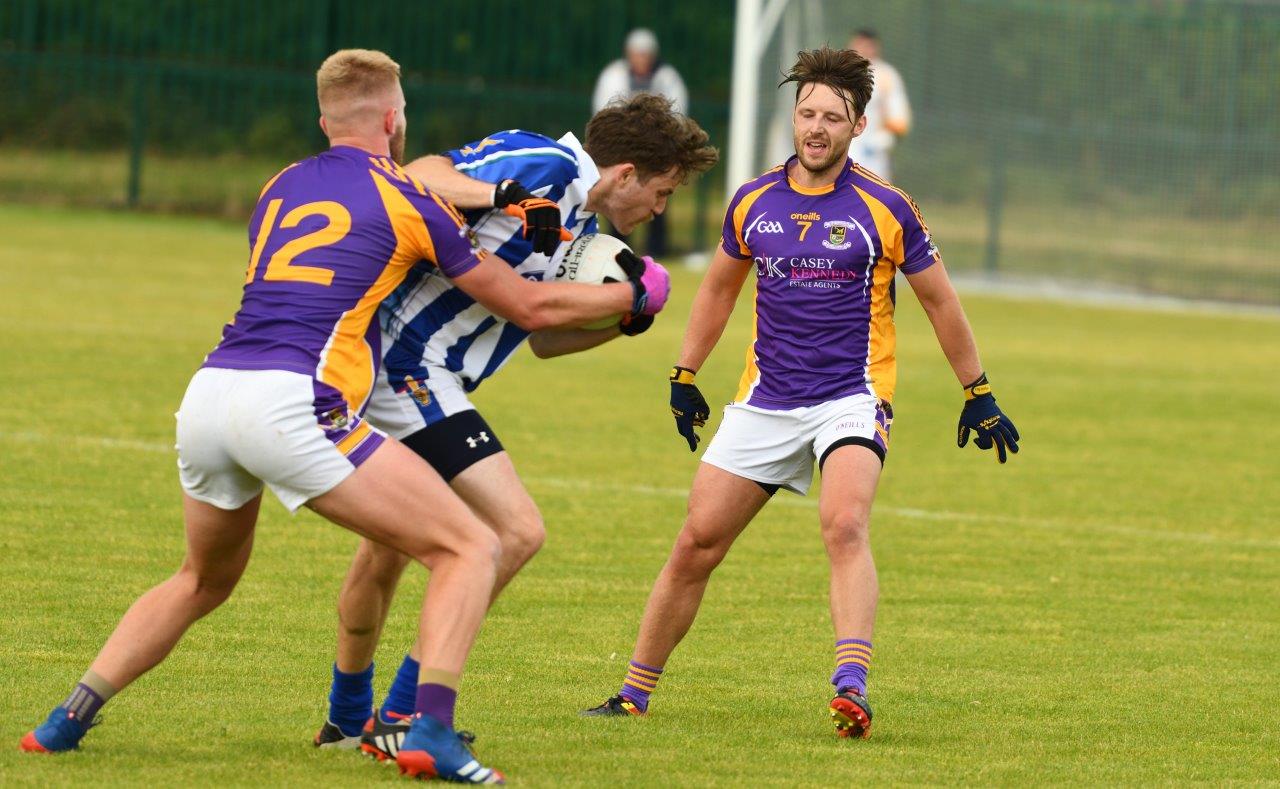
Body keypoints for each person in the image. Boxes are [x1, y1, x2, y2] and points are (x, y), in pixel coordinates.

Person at [19, 48, 667, 785]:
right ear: (394, 120)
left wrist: (516, 212)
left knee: (201, 578)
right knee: (472, 548)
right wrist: (630, 297)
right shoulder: (411, 198)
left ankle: (64, 719)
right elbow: (524, 305)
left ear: (323, 119)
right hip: (296, 402)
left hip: (210, 392)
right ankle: (422, 729)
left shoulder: (279, 186)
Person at [582, 47, 1019, 738]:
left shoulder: (887, 207)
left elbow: (940, 301)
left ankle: (852, 684)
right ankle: (632, 692)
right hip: (767, 399)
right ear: (793, 118)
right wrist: (685, 373)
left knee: (843, 523)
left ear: (857, 125)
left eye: (832, 117)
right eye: (807, 113)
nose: (816, 127)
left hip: (852, 394)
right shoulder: (753, 200)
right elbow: (721, 290)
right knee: (695, 542)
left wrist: (979, 389)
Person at [311, 93, 719, 760]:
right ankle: (404, 713)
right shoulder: (545, 162)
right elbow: (416, 175)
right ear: (623, 175)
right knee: (516, 530)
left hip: (430, 375)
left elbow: (544, 339)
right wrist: (499, 193)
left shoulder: (587, 234)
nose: (661, 209)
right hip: (405, 364)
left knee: (386, 551)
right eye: (662, 191)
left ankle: (347, 717)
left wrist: (626, 319)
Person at [592, 28, 690, 258]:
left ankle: (657, 249)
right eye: (637, 54)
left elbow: (678, 112)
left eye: (645, 54)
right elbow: (604, 111)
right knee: (618, 197)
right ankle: (615, 246)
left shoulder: (667, 77)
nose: (641, 59)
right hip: (621, 152)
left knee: (656, 197)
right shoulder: (614, 75)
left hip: (658, 152)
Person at [846, 29, 912, 179]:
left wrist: (880, 142)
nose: (860, 49)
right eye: (857, 44)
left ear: (874, 47)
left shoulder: (886, 76)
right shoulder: (839, 72)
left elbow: (899, 120)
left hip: (872, 155)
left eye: (865, 45)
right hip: (843, 148)